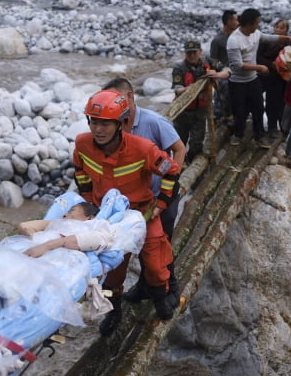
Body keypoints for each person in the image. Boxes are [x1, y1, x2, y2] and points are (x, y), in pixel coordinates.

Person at [74, 89, 180, 335]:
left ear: (121, 123)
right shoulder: (82, 144)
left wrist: (160, 205)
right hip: (108, 219)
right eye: (94, 122)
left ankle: (161, 297)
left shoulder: (142, 148)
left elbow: (171, 170)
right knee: (111, 272)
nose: (98, 129)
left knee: (155, 262)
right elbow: (79, 170)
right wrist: (89, 200)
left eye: (105, 123)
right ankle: (114, 310)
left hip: (142, 213)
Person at [101, 77, 184, 309]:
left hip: (159, 197)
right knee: (130, 248)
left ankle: (171, 288)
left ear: (129, 98)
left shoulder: (154, 122)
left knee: (160, 244)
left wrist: (171, 184)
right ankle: (142, 288)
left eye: (114, 99)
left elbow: (179, 149)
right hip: (130, 202)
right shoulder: (111, 124)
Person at [226, 8, 291, 148]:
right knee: (240, 110)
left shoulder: (255, 34)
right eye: (257, 23)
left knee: (258, 108)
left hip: (253, 79)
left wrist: (288, 38)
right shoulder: (234, 40)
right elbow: (237, 65)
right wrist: (259, 67)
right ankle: (238, 134)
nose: (258, 25)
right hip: (238, 82)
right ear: (248, 24)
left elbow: (267, 37)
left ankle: (259, 136)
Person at [171, 40, 214, 163]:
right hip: (183, 111)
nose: (191, 55)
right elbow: (177, 88)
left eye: (194, 52)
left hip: (200, 110)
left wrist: (215, 74)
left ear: (200, 52)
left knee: (197, 142)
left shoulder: (207, 62)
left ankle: (192, 162)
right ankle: (178, 166)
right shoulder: (179, 67)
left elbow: (225, 68)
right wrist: (191, 89)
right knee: (179, 142)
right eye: (188, 53)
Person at [18, 202, 109, 258]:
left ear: (89, 218)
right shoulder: (56, 223)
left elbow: (99, 240)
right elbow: (24, 226)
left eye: (71, 211)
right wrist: (37, 240)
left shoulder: (93, 228)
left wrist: (46, 246)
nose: (65, 215)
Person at [257, 19, 291, 137]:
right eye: (277, 27)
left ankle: (282, 128)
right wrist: (271, 64)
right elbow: (257, 57)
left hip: (282, 79)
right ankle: (271, 127)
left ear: (287, 31)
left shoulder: (289, 43)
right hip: (266, 75)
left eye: (282, 28)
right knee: (269, 103)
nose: (278, 30)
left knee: (281, 103)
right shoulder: (266, 41)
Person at [209, 9, 239, 123]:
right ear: (229, 21)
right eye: (236, 20)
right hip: (224, 74)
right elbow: (213, 60)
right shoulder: (218, 40)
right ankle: (220, 116)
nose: (238, 22)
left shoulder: (236, 35)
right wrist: (222, 67)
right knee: (223, 94)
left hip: (237, 71)